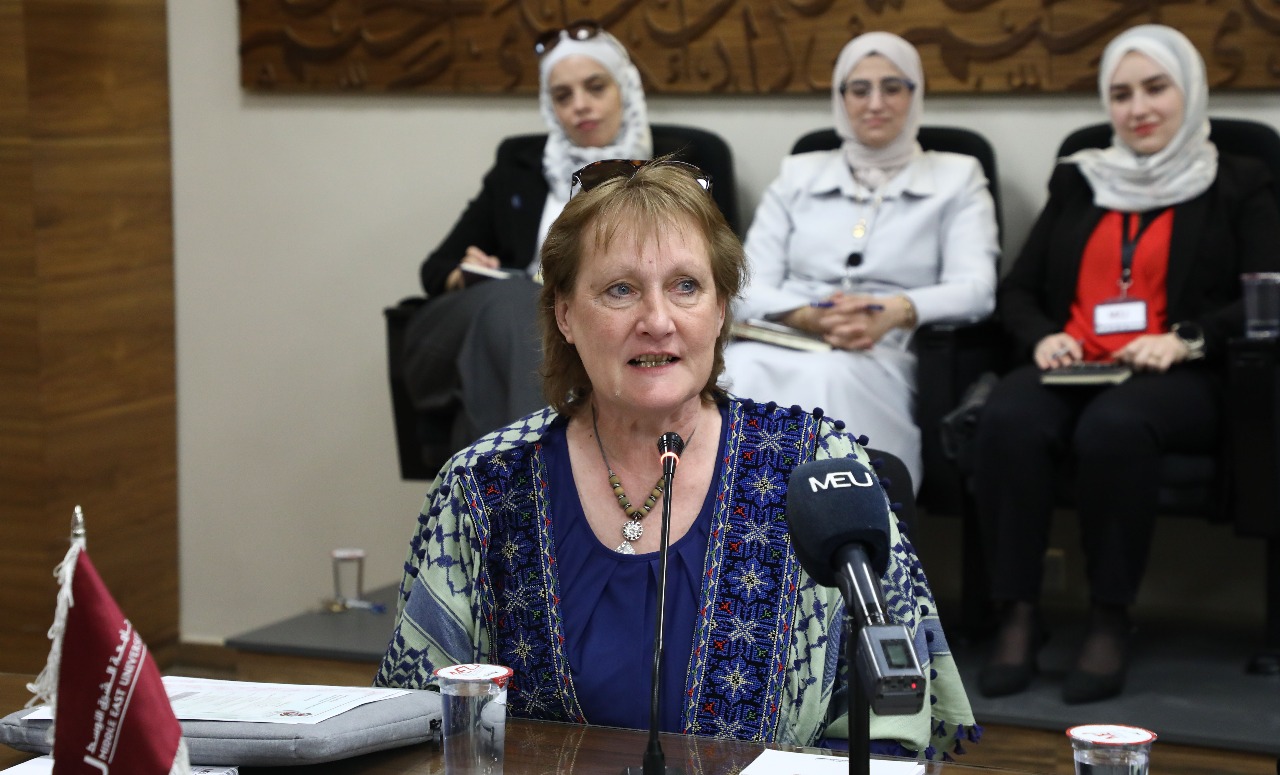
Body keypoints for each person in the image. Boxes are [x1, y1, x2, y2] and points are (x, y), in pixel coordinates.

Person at [375, 159, 977, 759]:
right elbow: (417, 724)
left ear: (720, 310)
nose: (657, 321)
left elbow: (896, 728)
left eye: (686, 286)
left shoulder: (819, 469)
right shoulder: (484, 487)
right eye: (620, 290)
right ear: (565, 314)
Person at [974, 24, 1280, 704]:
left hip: (1180, 374)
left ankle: (1110, 616)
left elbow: (1269, 291)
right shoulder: (1081, 178)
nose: (1137, 108)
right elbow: (1018, 290)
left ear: (1189, 90)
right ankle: (1017, 611)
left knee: (1114, 428)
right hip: (1074, 362)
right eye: (1120, 94)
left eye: (1155, 88)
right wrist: (1042, 337)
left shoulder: (1241, 181)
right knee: (1008, 418)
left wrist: (1188, 338)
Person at [400, 21, 735, 466]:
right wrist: (465, 272)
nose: (580, 105)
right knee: (515, 307)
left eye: (595, 87)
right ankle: (531, 479)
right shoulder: (518, 166)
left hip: (572, 332)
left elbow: (719, 264)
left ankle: (511, 481)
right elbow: (435, 269)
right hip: (504, 316)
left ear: (625, 89)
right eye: (563, 96)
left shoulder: (684, 170)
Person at [722, 31, 998, 492]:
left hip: (881, 348)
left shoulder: (958, 177)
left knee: (829, 378)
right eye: (859, 89)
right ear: (841, 98)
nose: (875, 103)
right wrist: (806, 315)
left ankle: (840, 528)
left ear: (915, 94)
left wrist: (894, 311)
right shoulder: (798, 174)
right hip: (787, 335)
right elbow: (743, 282)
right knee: (735, 370)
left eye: (892, 88)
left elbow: (977, 289)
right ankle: (738, 526)